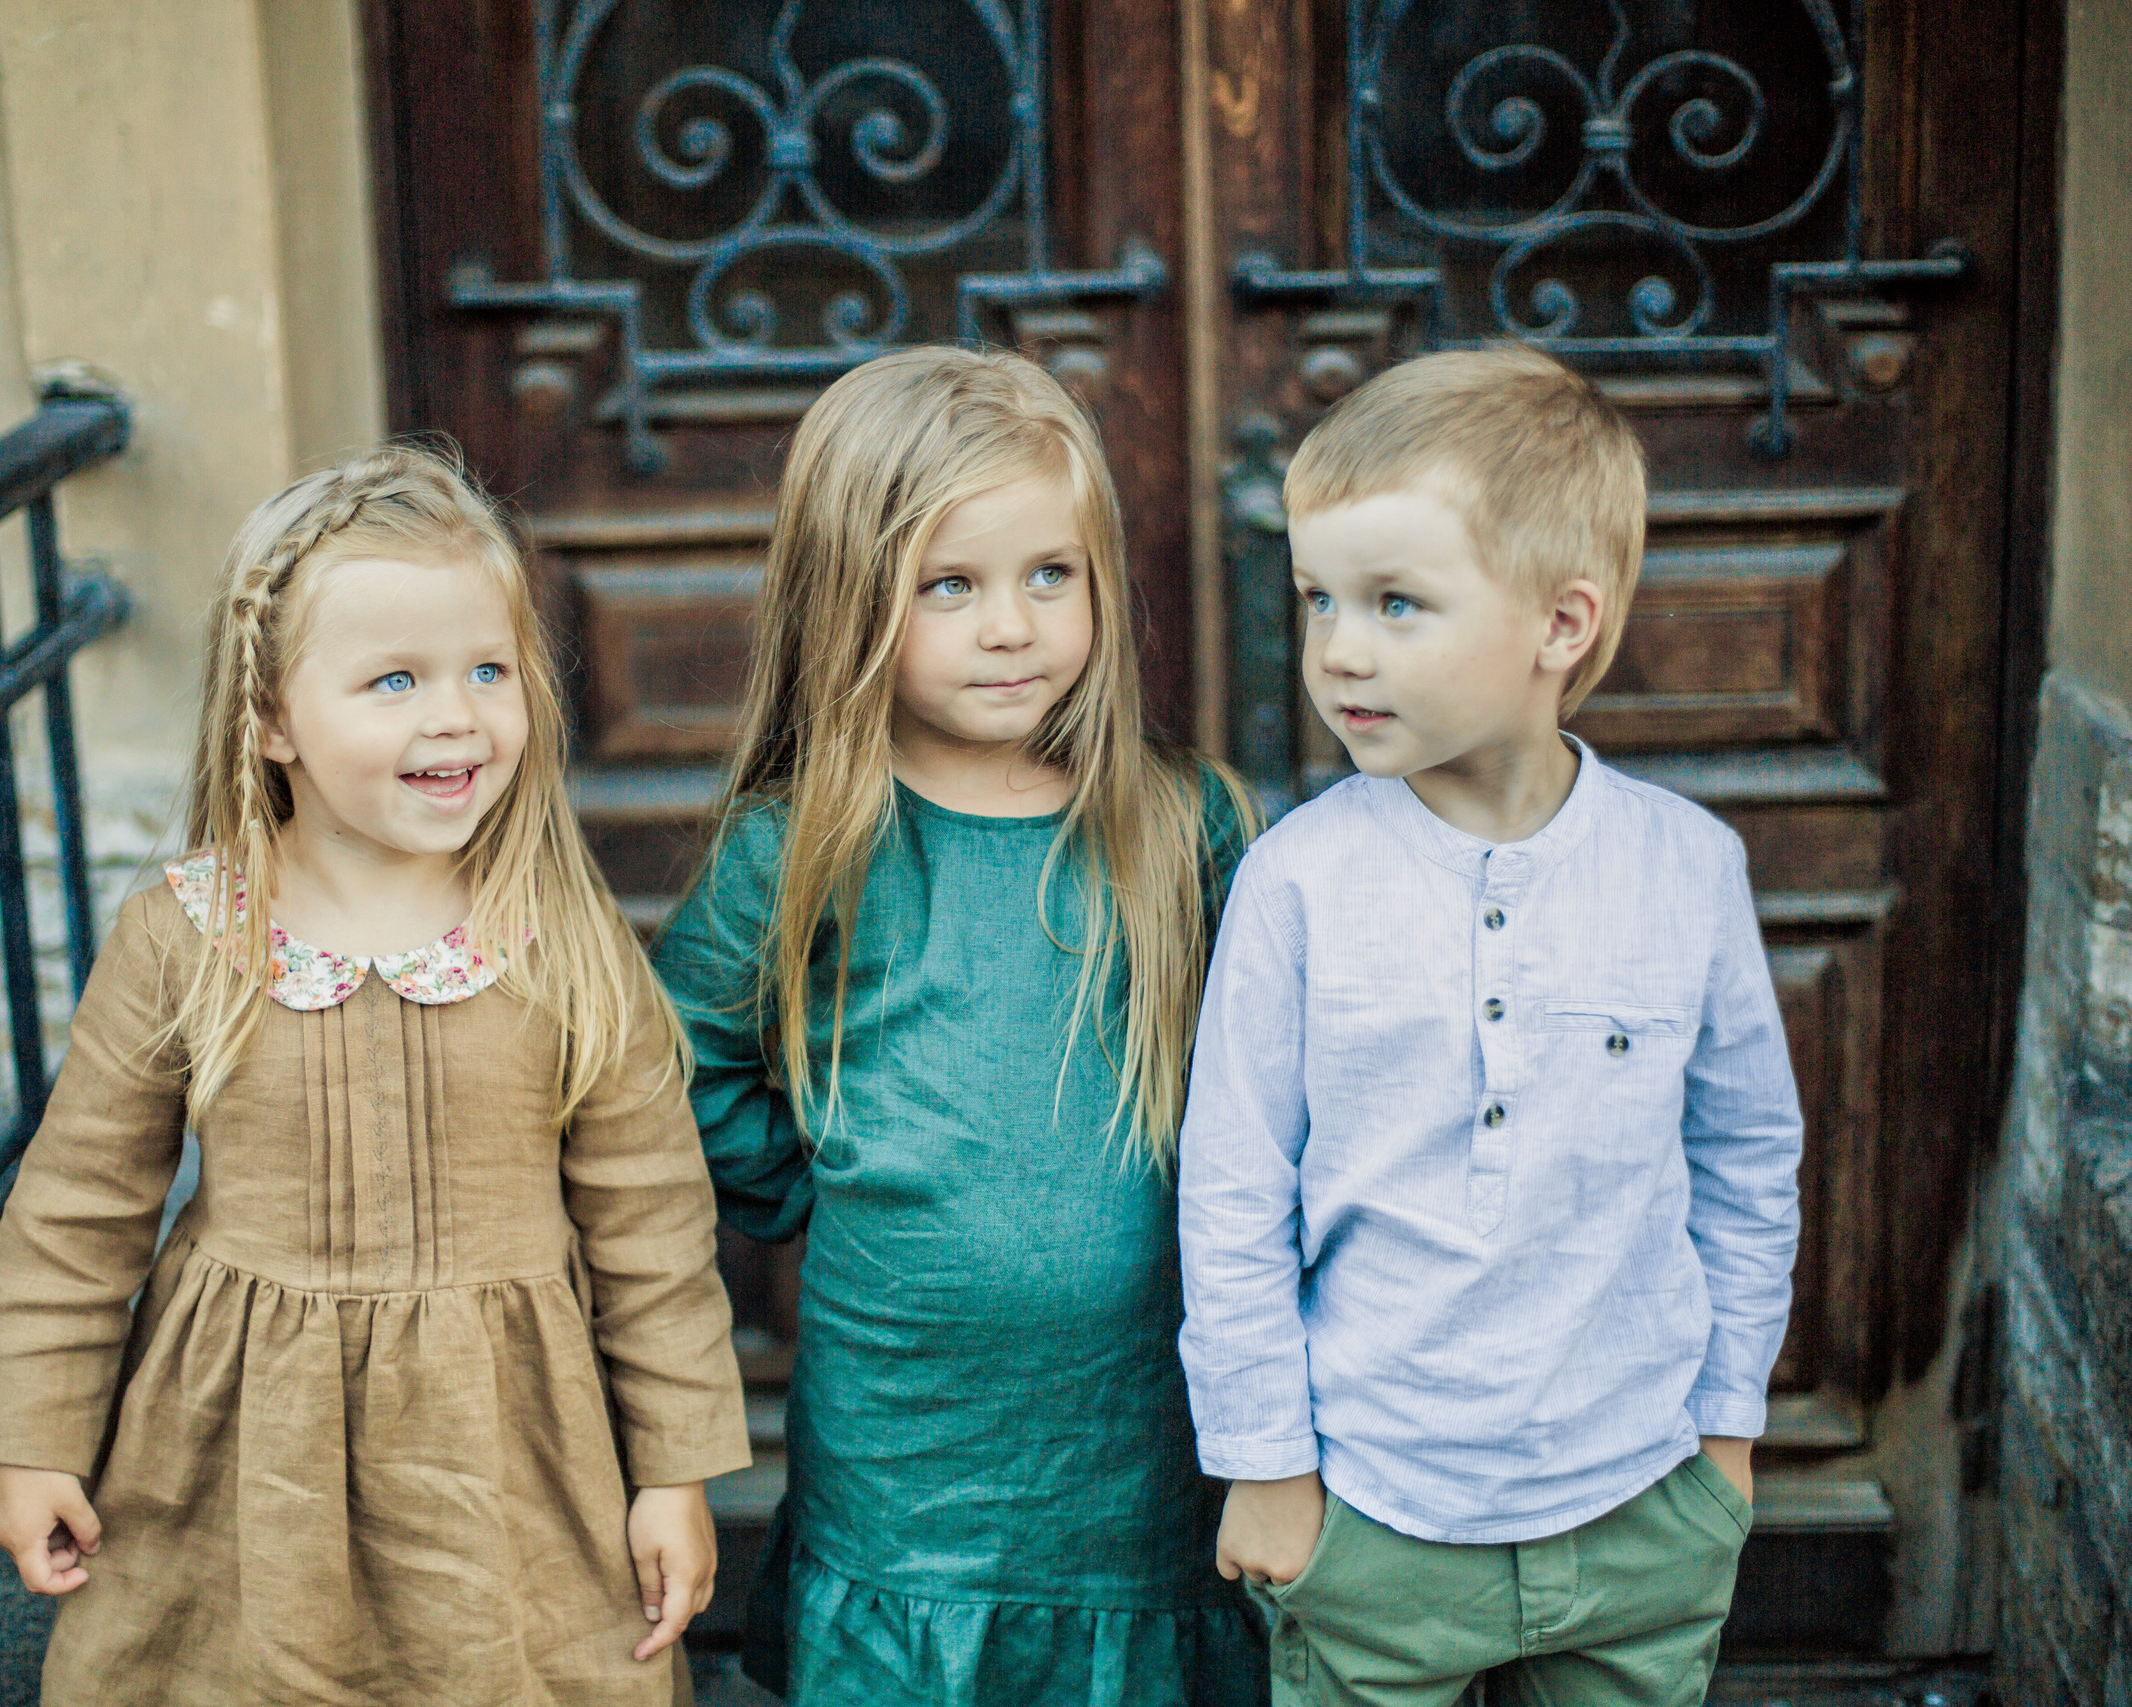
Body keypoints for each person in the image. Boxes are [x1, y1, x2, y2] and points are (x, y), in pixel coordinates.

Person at [0, 443, 752, 1705]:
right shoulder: (186, 935)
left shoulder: (562, 939)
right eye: (394, 679)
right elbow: (79, 1213)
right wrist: (30, 1440)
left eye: (488, 670)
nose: (455, 714)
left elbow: (652, 1228)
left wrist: (674, 1474)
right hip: (238, 1466)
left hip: (512, 1475)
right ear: (269, 720)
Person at [1177, 346, 1803, 1707]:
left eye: (1398, 601)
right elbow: (1231, 1194)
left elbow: (1750, 1157)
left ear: (1560, 623)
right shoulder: (1296, 881)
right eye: (1321, 598)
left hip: (1641, 1497)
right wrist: (1266, 1463)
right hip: (1376, 1516)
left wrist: (1726, 1428)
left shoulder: (1686, 868)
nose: (1340, 646)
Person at [651, 345, 1268, 1707]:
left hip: (1138, 1451)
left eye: (1052, 575)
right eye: (952, 585)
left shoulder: (1188, 826)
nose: (1012, 625)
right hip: (910, 1455)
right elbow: (676, 1053)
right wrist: (815, 1174)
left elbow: (1280, 1096)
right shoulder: (803, 845)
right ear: (849, 599)